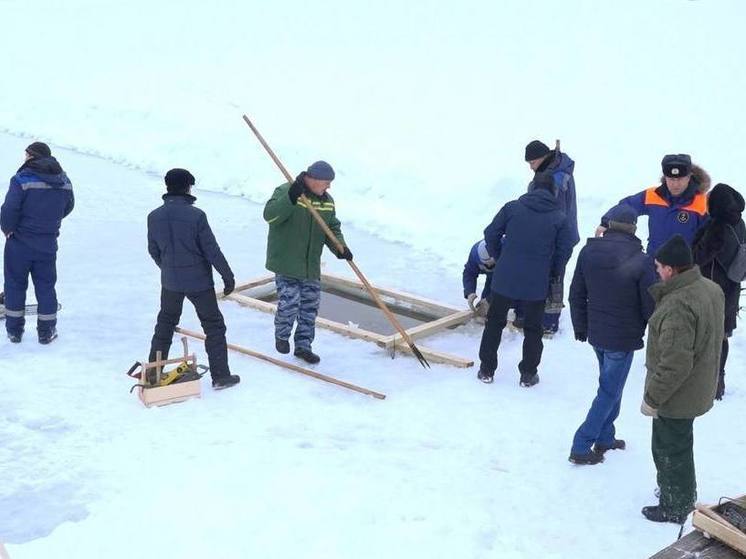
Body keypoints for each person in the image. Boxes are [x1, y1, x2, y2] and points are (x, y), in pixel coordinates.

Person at [640, 235, 724, 524]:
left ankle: (676, 504)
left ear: (672, 270)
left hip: (679, 393)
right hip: (700, 384)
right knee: (679, 442)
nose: (656, 271)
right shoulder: (710, 289)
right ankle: (676, 490)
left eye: (659, 266)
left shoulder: (677, 304)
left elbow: (675, 363)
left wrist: (652, 398)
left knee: (669, 447)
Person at [568, 204, 656, 465]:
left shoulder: (588, 252)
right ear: (633, 229)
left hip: (597, 333)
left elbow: (576, 294)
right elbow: (648, 304)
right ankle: (581, 445)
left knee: (610, 386)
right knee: (609, 390)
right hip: (622, 337)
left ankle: (606, 436)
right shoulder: (642, 260)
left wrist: (581, 327)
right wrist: (647, 327)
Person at [478, 171, 574, 386]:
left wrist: (500, 257)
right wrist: (552, 270)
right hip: (536, 282)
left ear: (531, 187)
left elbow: (491, 232)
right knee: (533, 328)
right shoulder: (559, 217)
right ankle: (528, 374)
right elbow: (565, 248)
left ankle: (486, 370)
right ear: (553, 192)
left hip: (504, 278)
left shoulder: (512, 208)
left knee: (494, 322)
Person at [147, 168, 239, 390]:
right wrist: (227, 276)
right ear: (188, 187)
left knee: (165, 324)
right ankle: (220, 376)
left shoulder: (154, 216)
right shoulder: (196, 216)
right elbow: (211, 250)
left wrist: (169, 268)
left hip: (170, 282)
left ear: (168, 187)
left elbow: (153, 250)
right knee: (214, 326)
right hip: (199, 282)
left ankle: (152, 375)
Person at [263, 161, 351, 364]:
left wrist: (340, 247)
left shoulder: (327, 201)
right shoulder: (288, 191)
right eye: (326, 183)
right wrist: (290, 198)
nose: (328, 187)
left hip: (310, 265)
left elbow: (331, 227)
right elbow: (270, 216)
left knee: (309, 308)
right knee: (290, 302)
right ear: (312, 179)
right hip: (286, 263)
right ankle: (282, 336)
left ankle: (303, 346)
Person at [1, 142, 74, 344]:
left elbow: (9, 209)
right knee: (46, 286)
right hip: (48, 242)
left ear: (32, 156)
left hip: (19, 242)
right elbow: (68, 206)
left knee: (15, 284)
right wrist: (49, 222)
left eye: (26, 155)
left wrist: (8, 229)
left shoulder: (22, 179)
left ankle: (14, 331)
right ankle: (46, 331)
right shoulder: (64, 180)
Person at [514, 140, 580, 335]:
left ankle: (548, 323)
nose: (531, 167)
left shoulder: (556, 178)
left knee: (553, 277)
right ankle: (528, 315)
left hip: (557, 238)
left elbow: (550, 213)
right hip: (557, 235)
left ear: (542, 158)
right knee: (541, 275)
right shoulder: (556, 170)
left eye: (532, 163)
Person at [692, 183, 745, 400]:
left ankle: (709, 382)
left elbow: (699, 256)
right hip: (731, 288)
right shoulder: (740, 222)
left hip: (711, 287)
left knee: (706, 335)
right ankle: (719, 379)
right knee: (722, 335)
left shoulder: (716, 226)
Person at [597, 154, 710, 254]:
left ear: (689, 177)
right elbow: (626, 206)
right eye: (671, 179)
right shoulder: (652, 196)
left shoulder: (702, 203)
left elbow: (712, 238)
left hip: (685, 269)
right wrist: (607, 222)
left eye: (680, 179)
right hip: (655, 265)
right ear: (665, 178)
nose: (676, 185)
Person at [462, 239, 495, 316]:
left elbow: (512, 282)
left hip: (513, 275)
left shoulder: (507, 252)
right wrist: (470, 292)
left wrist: (489, 300)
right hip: (494, 276)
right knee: (485, 304)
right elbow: (469, 273)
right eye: (486, 264)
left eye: (491, 264)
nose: (489, 266)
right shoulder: (475, 255)